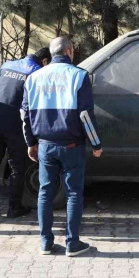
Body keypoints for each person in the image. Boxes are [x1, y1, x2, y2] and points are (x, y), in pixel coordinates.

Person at [22, 37, 103, 257]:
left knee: (45, 192)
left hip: (45, 145)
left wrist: (30, 143)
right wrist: (96, 143)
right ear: (68, 51)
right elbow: (85, 115)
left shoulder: (33, 77)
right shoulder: (79, 76)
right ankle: (72, 243)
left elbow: (25, 114)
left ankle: (46, 243)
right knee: (74, 193)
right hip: (71, 145)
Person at [0, 47, 52, 218]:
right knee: (17, 167)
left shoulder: (7, 65)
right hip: (16, 123)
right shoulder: (38, 72)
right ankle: (14, 207)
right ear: (45, 61)